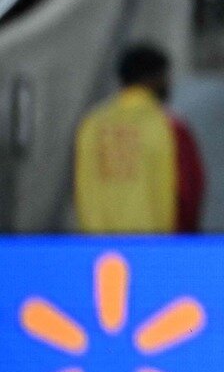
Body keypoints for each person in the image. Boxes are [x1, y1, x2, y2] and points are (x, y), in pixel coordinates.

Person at [74, 44, 205, 234]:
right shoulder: (171, 128)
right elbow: (188, 193)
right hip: (155, 247)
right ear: (156, 78)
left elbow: (81, 188)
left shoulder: (91, 124)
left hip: (101, 247)